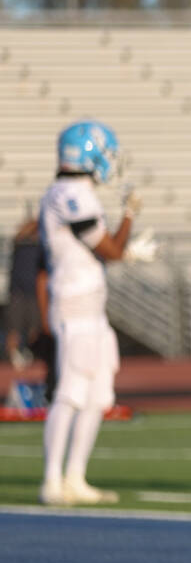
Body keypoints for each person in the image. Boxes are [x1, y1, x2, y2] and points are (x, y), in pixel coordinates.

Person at [37, 121, 155, 506]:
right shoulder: (70, 193)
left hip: (92, 308)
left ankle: (75, 477)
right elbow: (109, 250)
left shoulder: (76, 191)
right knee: (70, 394)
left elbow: (100, 251)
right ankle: (53, 479)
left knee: (96, 396)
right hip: (74, 307)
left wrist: (125, 247)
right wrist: (129, 218)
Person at [6, 218, 42, 369]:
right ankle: (14, 357)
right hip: (18, 292)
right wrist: (35, 222)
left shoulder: (42, 246)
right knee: (14, 328)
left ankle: (30, 353)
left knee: (35, 328)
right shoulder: (20, 242)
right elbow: (19, 235)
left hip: (34, 292)